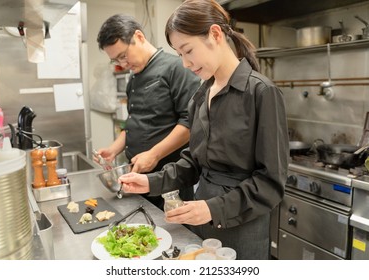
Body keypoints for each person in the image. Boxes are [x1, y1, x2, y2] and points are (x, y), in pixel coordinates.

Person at [119, 0, 289, 260]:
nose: (186, 63)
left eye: (188, 50)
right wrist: (150, 181)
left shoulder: (261, 92)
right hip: (200, 218)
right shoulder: (201, 95)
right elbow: (193, 162)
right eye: (179, 55)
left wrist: (213, 209)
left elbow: (271, 182)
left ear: (215, 34)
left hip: (242, 225)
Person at [95, 14, 201, 209]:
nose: (123, 64)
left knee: (174, 233)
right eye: (116, 60)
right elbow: (135, 122)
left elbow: (190, 123)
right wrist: (114, 149)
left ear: (139, 37)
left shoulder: (176, 68)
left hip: (169, 177)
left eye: (123, 55)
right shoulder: (134, 78)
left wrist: (153, 154)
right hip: (139, 176)